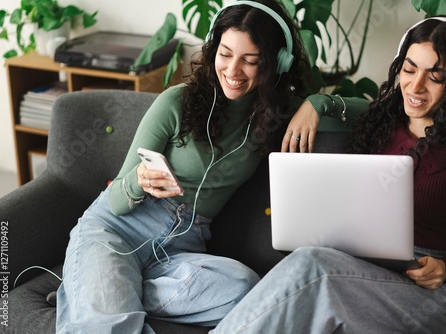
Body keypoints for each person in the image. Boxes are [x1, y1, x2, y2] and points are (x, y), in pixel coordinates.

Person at [211, 15, 446, 334]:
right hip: (365, 272)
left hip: (434, 292)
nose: (415, 86)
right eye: (409, 69)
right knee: (310, 274)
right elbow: (348, 107)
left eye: (435, 76)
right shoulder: (381, 124)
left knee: (313, 266)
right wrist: (316, 104)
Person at [54, 0, 320, 333]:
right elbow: (118, 202)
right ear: (212, 51)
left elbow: (362, 114)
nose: (233, 71)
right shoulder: (175, 102)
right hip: (117, 231)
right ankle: (99, 284)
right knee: (111, 325)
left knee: (245, 290)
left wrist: (317, 103)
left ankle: (101, 286)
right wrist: (138, 180)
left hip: (180, 249)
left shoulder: (276, 114)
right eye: (225, 54)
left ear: (276, 64)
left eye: (250, 60)